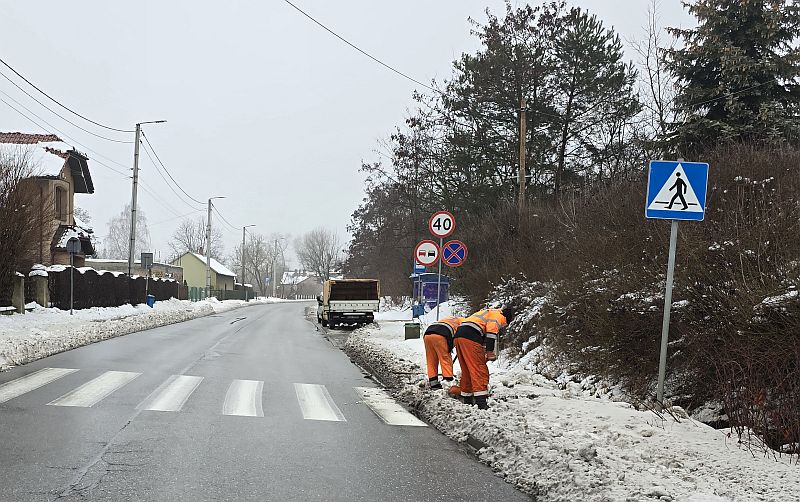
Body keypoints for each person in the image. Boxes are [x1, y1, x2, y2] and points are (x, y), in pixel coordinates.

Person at [454, 307, 514, 409]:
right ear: (506, 319)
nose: (503, 326)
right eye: (504, 324)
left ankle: (467, 399)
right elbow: (491, 333)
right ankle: (481, 402)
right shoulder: (498, 316)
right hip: (471, 337)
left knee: (467, 369)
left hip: (459, 335)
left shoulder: (487, 312)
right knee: (479, 368)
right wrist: (489, 351)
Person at [423, 316, 463, 390]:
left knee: (431, 360)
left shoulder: (450, 319)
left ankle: (433, 383)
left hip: (428, 333)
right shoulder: (464, 322)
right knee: (445, 358)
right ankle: (448, 382)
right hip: (442, 334)